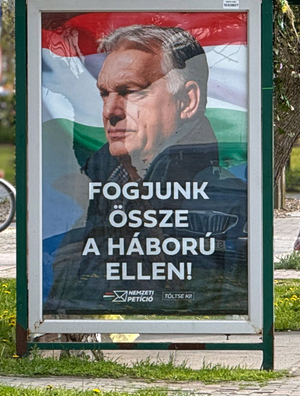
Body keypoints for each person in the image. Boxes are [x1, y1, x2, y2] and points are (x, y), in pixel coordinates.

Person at [45, 24, 247, 313]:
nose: (110, 112)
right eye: (105, 93)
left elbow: (218, 301)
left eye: (131, 91)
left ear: (187, 101)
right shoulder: (98, 187)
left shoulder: (225, 200)